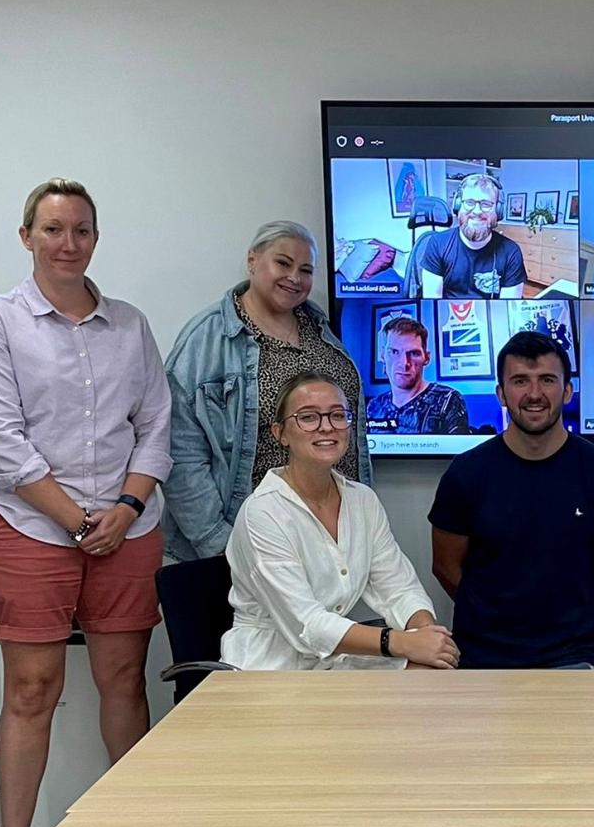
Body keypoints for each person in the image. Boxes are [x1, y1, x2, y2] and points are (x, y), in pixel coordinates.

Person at [0, 178, 171, 827]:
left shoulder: (131, 324)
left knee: (123, 680)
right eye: (53, 229)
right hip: (29, 528)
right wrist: (77, 520)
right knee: (31, 690)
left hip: (127, 525)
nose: (68, 242)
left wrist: (126, 505)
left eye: (81, 229)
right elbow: (2, 442)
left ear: (95, 238)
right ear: (27, 237)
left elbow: (156, 428)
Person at [163, 221, 373, 563]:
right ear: (252, 260)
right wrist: (220, 544)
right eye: (283, 263)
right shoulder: (206, 340)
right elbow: (179, 451)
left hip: (326, 540)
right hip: (244, 545)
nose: (294, 277)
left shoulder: (322, 332)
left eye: (306, 270)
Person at [429, 332, 594, 668]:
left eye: (547, 380)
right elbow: (444, 567)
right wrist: (492, 618)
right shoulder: (465, 474)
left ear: (567, 390)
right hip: (480, 658)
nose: (534, 394)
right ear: (501, 393)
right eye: (519, 381)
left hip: (571, 659)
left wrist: (565, 626)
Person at [224, 373, 458, 671]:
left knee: (431, 669)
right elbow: (306, 625)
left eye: (337, 415)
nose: (326, 426)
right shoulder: (262, 512)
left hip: (336, 657)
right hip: (273, 665)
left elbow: (398, 587)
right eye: (308, 417)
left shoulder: (362, 500)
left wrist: (426, 634)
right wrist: (401, 642)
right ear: (280, 432)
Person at [418, 173, 527, 299]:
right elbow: (433, 302)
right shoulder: (437, 244)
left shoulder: (511, 252)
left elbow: (509, 309)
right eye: (469, 202)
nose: (477, 211)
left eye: (486, 204)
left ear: (498, 211)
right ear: (458, 206)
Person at [365, 316, 469, 435]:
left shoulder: (448, 399)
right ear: (383, 356)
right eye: (394, 352)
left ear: (427, 358)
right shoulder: (374, 406)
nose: (404, 363)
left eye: (414, 353)